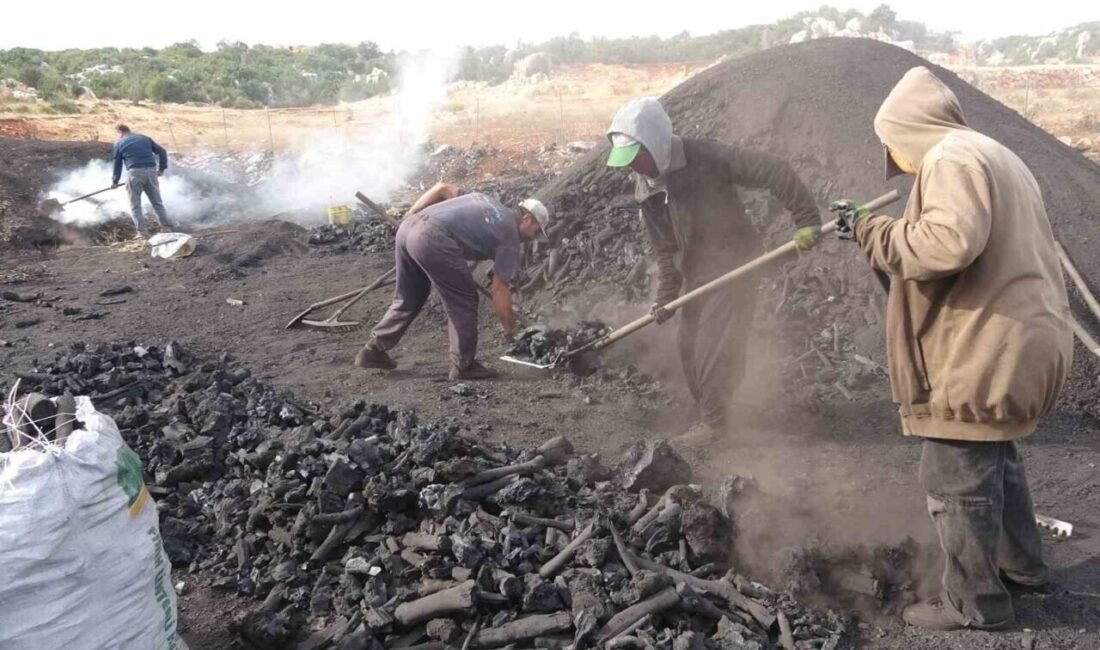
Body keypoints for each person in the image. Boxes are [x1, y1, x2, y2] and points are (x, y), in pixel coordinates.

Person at [833, 66, 1073, 631]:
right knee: (995, 457)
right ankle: (1024, 568)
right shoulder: (994, 155)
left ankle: (973, 603)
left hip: (986, 344)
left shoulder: (949, 158)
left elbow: (946, 245)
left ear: (907, 130)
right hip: (1021, 337)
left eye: (894, 145)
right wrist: (880, 230)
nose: (897, 160)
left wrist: (871, 230)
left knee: (955, 473)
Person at [605, 96, 822, 437]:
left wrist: (806, 219)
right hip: (697, 274)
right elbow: (666, 249)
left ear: (656, 143)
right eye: (626, 162)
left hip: (735, 264)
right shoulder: (646, 190)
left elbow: (774, 169)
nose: (633, 167)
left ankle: (715, 425)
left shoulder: (703, 156)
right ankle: (717, 414)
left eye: (637, 157)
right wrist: (665, 296)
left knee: (714, 348)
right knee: (688, 348)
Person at [355, 183, 550, 380]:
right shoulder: (510, 239)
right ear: (526, 219)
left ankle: (373, 350)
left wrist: (411, 215)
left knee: (410, 296)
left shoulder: (486, 200)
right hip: (432, 238)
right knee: (464, 301)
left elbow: (442, 188)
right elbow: (499, 290)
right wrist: (512, 333)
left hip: (407, 229)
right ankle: (464, 365)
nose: (534, 238)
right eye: (536, 231)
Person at [111, 124, 173, 235]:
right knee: (157, 203)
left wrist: (115, 181)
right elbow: (162, 151)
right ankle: (167, 229)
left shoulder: (119, 143)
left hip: (134, 174)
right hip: (151, 172)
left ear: (120, 132)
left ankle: (143, 233)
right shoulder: (144, 138)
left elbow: (117, 165)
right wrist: (162, 169)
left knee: (135, 206)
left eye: (117, 134)